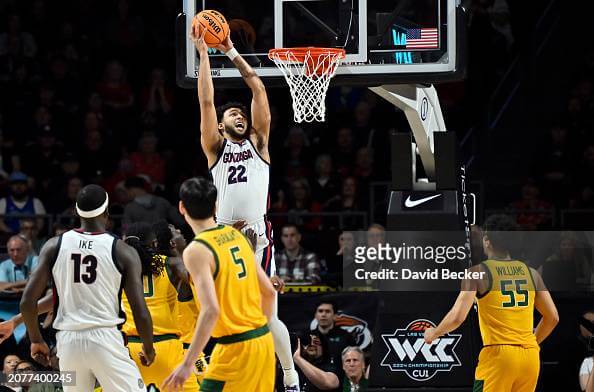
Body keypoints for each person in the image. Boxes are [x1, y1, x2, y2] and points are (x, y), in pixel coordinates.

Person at [191, 26, 299, 390]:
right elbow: (206, 102)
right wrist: (204, 54)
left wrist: (231, 50)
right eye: (232, 114)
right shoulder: (215, 148)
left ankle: (290, 376)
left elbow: (258, 88)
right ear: (220, 126)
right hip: (222, 238)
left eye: (241, 113)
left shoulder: (260, 143)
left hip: (258, 238)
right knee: (221, 315)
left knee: (268, 317)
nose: (239, 115)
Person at [19, 184, 155, 392]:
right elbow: (139, 310)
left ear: (75, 211)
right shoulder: (123, 251)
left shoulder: (53, 245)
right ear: (107, 212)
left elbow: (27, 302)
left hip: (67, 342)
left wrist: (36, 340)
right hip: (105, 337)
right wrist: (148, 346)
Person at [162, 177, 276, 391]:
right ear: (216, 206)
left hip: (234, 349)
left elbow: (211, 310)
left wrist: (187, 364)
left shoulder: (196, 250)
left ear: (181, 207)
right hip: (263, 341)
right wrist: (258, 332)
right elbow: (269, 292)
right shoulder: (237, 236)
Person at [424, 214, 560, 392]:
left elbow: (457, 317)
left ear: (487, 241)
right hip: (530, 358)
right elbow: (552, 318)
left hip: (499, 356)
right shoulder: (532, 273)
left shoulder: (477, 273)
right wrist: (531, 343)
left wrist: (434, 333)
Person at [121, 222, 199, 392]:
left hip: (129, 350)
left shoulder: (119, 267)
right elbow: (197, 276)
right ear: (155, 244)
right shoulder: (171, 264)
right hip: (167, 347)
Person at [309, 301, 357, 368]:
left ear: (335, 316)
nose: (323, 314)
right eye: (320, 311)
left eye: (327, 311)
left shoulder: (346, 337)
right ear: (315, 315)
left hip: (340, 377)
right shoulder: (308, 336)